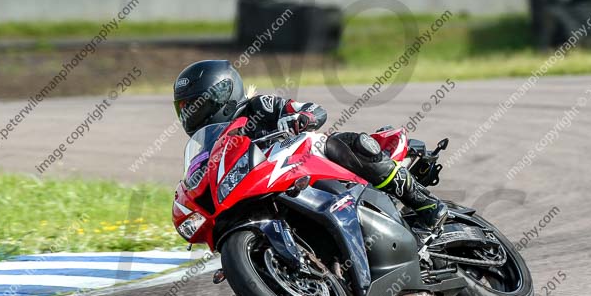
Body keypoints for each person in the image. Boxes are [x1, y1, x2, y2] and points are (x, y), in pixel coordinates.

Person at [173, 60, 446, 230]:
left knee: (344, 143)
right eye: (184, 109)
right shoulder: (209, 147)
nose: (189, 115)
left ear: (222, 95)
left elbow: (315, 111)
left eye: (195, 106)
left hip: (306, 168)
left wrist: (301, 119)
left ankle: (426, 205)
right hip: (271, 192)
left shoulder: (259, 107)